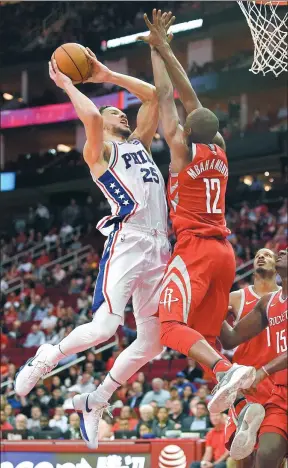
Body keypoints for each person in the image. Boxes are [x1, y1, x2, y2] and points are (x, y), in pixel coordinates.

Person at [15, 16, 173, 450]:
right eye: (110, 109)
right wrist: (70, 86)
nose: (117, 110)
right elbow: (89, 115)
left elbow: (155, 95)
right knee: (104, 326)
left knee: (154, 343)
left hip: (160, 247)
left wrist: (105, 75)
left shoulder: (139, 141)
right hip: (128, 240)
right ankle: (47, 357)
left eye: (118, 110)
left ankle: (95, 399)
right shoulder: (98, 149)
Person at [142, 8, 256, 415]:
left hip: (196, 251)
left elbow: (165, 98)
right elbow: (191, 100)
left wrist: (157, 52)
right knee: (203, 336)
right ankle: (242, 411)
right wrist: (167, 49)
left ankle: (226, 371)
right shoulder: (220, 148)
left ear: (188, 131)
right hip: (224, 254)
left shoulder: (182, 150)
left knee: (169, 326)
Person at [220, 249, 288, 468]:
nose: (282, 251)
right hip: (279, 392)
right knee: (264, 455)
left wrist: (263, 371)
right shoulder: (269, 303)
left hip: (267, 376)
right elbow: (230, 339)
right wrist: (213, 309)